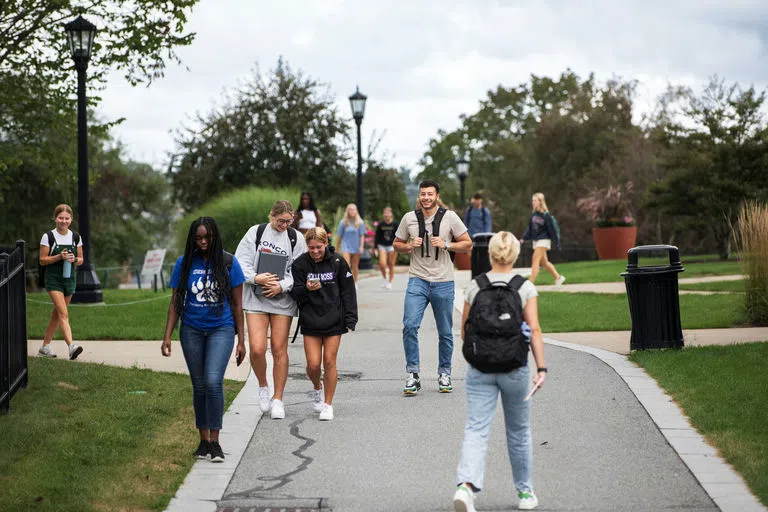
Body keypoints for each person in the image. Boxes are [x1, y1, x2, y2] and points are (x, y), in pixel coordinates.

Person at [453, 231, 547, 511]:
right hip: (514, 368)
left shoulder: (475, 286)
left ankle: (466, 487)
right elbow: (536, 330)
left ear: (490, 254)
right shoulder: (524, 288)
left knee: (476, 429)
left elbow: (464, 331)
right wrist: (541, 367)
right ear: (515, 255)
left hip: (480, 368)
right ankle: (525, 494)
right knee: (518, 432)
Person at [161, 217, 246, 463]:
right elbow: (175, 302)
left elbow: (238, 304)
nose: (203, 242)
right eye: (198, 238)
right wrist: (167, 335)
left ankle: (216, 442)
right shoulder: (184, 263)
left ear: (214, 237)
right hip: (192, 330)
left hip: (222, 328)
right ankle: (203, 440)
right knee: (198, 386)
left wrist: (242, 341)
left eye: (207, 238)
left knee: (212, 381)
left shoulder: (229, 263)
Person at [393, 180, 472, 395]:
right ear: (419, 196)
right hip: (417, 279)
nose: (426, 197)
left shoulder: (450, 217)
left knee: (445, 331)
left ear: (437, 196)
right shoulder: (409, 218)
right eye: (422, 194)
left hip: (443, 281)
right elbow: (396, 244)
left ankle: (444, 373)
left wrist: (447, 244)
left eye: (430, 194)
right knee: (409, 325)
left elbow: (468, 243)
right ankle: (412, 374)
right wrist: (409, 246)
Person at [235, 200, 307, 420]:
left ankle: (278, 398)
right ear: (271, 216)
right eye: (280, 221)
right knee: (257, 349)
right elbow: (240, 263)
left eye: (289, 221)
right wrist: (255, 277)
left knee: (279, 348)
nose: (284, 225)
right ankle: (263, 386)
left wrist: (281, 286)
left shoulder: (296, 238)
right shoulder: (255, 233)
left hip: (282, 300)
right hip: (256, 297)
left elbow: (299, 271)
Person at [290, 227, 358, 421]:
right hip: (311, 319)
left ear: (326, 244)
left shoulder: (337, 262)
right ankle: (317, 387)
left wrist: (351, 317)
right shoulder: (300, 264)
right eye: (311, 248)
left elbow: (347, 291)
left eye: (319, 247)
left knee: (329, 361)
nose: (315, 251)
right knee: (313, 365)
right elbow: (295, 292)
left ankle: (328, 404)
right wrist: (306, 289)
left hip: (333, 318)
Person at [37, 204, 84, 360]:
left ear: (71, 219)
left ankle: (44, 347)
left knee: (57, 315)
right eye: (60, 218)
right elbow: (42, 260)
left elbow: (81, 260)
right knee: (63, 313)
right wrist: (58, 257)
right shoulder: (48, 236)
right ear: (55, 218)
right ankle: (72, 346)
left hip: (70, 279)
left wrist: (74, 259)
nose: (63, 221)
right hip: (53, 280)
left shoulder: (76, 237)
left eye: (67, 218)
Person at [520, 192, 565, 287]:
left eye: (535, 200)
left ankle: (530, 284)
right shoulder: (534, 215)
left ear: (540, 202)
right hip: (536, 240)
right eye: (532, 200)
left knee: (535, 260)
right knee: (544, 263)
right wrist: (524, 237)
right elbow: (529, 228)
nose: (533, 202)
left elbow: (552, 230)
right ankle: (558, 277)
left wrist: (557, 243)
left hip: (544, 240)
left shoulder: (546, 215)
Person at [336, 203, 366, 284]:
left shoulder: (360, 222)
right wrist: (337, 248)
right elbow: (339, 236)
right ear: (347, 211)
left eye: (354, 209)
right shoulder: (343, 222)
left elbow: (362, 236)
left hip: (356, 246)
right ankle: (348, 283)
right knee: (347, 266)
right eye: (350, 209)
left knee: (355, 266)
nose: (352, 211)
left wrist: (361, 247)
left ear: (356, 211)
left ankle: (355, 282)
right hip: (346, 246)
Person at [374, 206, 398, 290]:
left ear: (391, 214)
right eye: (385, 213)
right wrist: (375, 248)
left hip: (392, 246)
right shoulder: (381, 224)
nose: (387, 214)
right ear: (384, 214)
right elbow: (377, 236)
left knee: (391, 264)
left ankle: (390, 282)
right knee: (382, 264)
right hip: (382, 245)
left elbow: (398, 236)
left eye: (388, 213)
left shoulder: (395, 224)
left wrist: (399, 245)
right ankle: (385, 279)